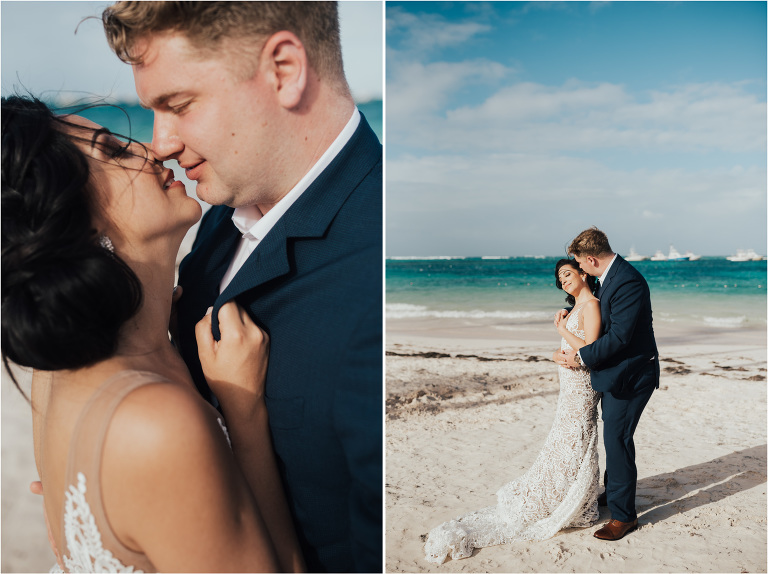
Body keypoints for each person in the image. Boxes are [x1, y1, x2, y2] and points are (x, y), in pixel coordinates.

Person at [100, 2, 382, 572]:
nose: (161, 143)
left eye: (177, 105)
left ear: (284, 69)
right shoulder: (218, 217)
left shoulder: (369, 288)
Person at [1, 96, 304, 571]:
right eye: (115, 152)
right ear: (75, 223)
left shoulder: (54, 373)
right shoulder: (155, 425)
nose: (152, 149)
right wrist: (243, 409)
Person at [424, 259, 601, 564]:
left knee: (577, 436)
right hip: (568, 385)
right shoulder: (573, 310)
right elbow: (568, 349)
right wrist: (556, 354)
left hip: (582, 386)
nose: (563, 281)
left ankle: (575, 497)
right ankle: (562, 491)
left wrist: (561, 330)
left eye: (568, 274)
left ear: (584, 273)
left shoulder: (592, 306)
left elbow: (592, 352)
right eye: (560, 278)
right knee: (563, 437)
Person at [555, 226, 660, 541]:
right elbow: (597, 313)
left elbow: (619, 337)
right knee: (613, 434)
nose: (581, 270)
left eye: (581, 264)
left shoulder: (628, 281)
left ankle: (624, 517)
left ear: (590, 259)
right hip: (617, 371)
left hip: (632, 374)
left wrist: (582, 357)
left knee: (617, 439)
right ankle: (613, 491)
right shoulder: (609, 277)